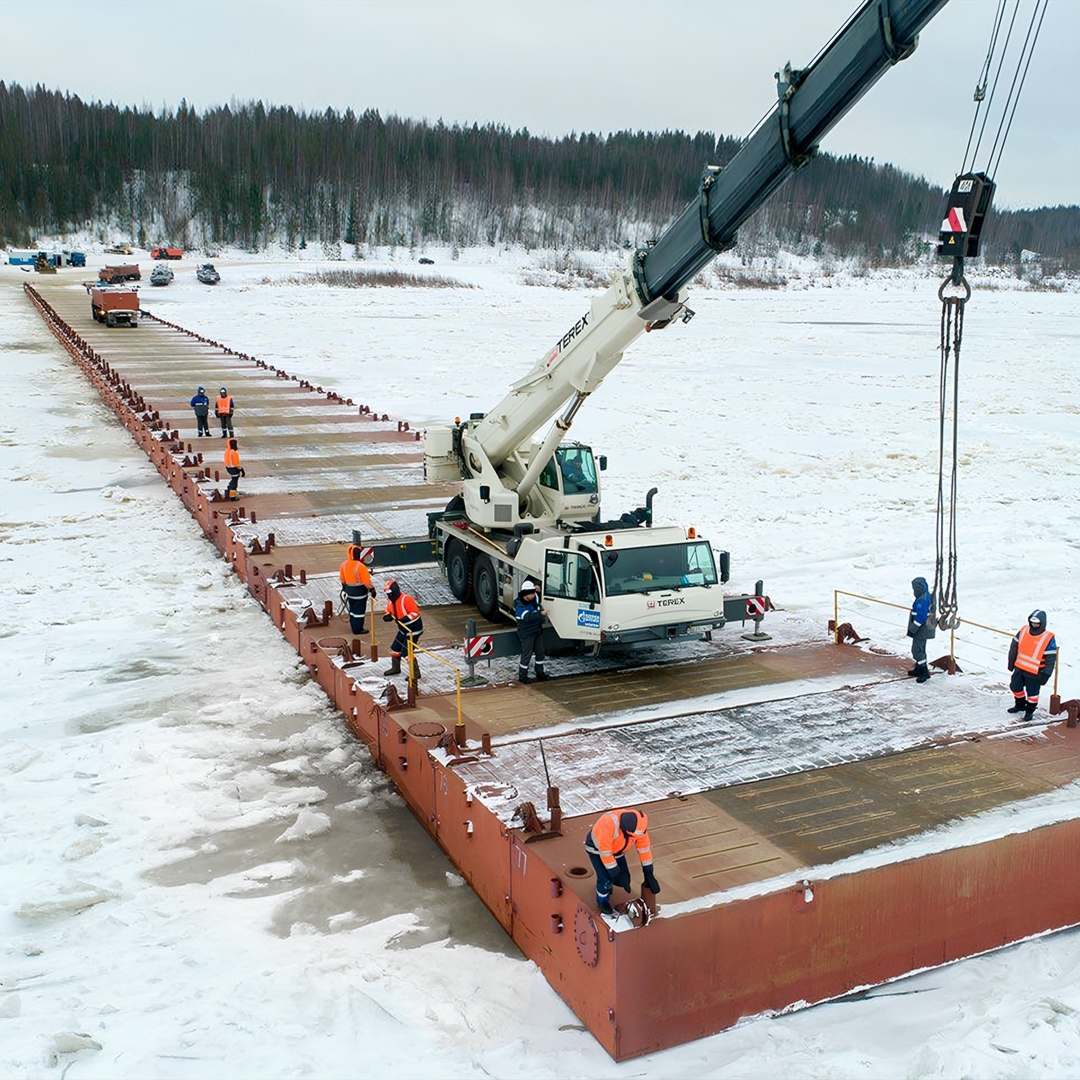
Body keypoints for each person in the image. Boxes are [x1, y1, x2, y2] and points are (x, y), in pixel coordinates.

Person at [584, 808, 661, 916]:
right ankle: (602, 901)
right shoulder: (608, 823)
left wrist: (648, 872)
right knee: (606, 879)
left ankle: (610, 885)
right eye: (633, 836)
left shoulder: (639, 827)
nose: (637, 837)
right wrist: (615, 872)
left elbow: (644, 849)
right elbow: (605, 853)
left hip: (618, 850)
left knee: (624, 878)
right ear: (626, 829)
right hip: (596, 850)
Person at [1007, 609, 1057, 722]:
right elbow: (1013, 647)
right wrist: (1011, 664)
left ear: (1042, 623)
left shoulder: (1048, 638)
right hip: (1019, 668)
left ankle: (1029, 711)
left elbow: (1050, 659)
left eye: (1037, 623)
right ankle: (1019, 705)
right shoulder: (1024, 630)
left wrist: (1045, 675)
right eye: (1032, 622)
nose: (1034, 625)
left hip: (1035, 673)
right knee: (1015, 687)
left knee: (1032, 695)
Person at [382, 579, 423, 680]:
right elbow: (388, 611)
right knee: (395, 649)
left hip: (413, 630)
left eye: (390, 593)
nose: (389, 596)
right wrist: (388, 616)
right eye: (387, 594)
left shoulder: (406, 599)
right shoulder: (390, 601)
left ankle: (415, 673)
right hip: (403, 629)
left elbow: (415, 613)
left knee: (406, 653)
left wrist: (404, 619)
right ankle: (395, 668)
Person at [514, 579, 549, 684]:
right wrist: (541, 614)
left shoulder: (533, 599)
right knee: (526, 655)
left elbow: (537, 596)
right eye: (532, 593)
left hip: (537, 631)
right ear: (526, 595)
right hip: (527, 634)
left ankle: (540, 672)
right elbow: (528, 617)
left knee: (540, 652)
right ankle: (523, 676)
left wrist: (537, 587)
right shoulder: (519, 606)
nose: (534, 595)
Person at [339, 545, 376, 635]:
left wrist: (344, 588)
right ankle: (358, 629)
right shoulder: (360, 566)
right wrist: (372, 590)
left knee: (352, 610)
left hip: (349, 592)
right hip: (360, 593)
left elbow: (342, 579)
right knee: (359, 612)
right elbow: (366, 581)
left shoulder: (343, 565)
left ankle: (354, 627)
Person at [906, 576, 935, 683]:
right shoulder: (926, 596)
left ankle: (924, 672)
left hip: (921, 629)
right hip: (925, 628)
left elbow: (921, 617)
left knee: (917, 650)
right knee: (920, 649)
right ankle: (919, 668)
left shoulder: (922, 600)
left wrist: (913, 629)